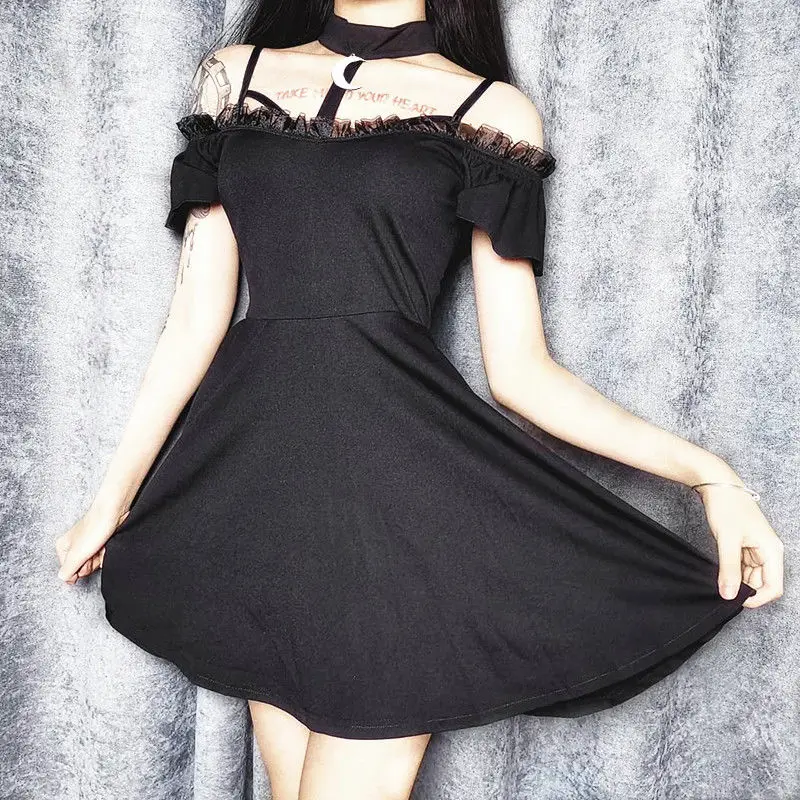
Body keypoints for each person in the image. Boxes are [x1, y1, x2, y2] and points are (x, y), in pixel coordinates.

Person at [55, 1, 784, 798]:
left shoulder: (491, 110)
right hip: (259, 495)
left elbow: (522, 373)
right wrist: (110, 500)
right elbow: (194, 320)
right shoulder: (234, 75)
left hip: (395, 497)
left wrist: (709, 475)